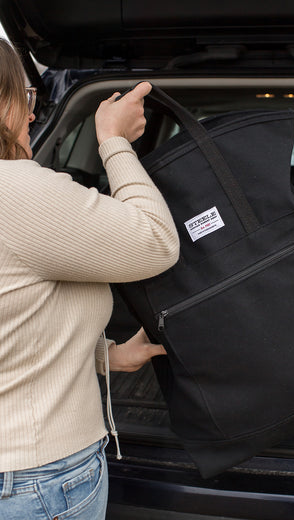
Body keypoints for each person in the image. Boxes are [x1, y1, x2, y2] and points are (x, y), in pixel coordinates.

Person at [0, 38, 179, 519]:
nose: (33, 117)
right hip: (36, 479)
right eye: (27, 98)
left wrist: (107, 356)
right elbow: (157, 242)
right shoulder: (16, 192)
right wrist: (114, 143)